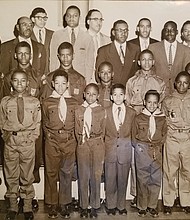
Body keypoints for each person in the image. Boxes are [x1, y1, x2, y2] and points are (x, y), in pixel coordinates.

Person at [0, 70, 41, 220]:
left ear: (27, 83)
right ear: (11, 82)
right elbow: (2, 121)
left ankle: (28, 205)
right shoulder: (5, 101)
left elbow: (37, 122)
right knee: (11, 174)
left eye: (22, 80)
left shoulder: (34, 102)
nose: (19, 84)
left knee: (27, 175)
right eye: (16, 80)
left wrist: (33, 138)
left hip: (27, 142)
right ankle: (12, 206)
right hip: (11, 142)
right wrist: (6, 137)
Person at [42, 69, 78, 219]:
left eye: (64, 83)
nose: (60, 86)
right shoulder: (47, 101)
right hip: (52, 141)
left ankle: (64, 203)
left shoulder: (74, 102)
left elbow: (77, 122)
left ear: (68, 84)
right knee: (51, 172)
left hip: (69, 141)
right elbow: (44, 122)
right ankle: (51, 203)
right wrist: (49, 137)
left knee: (66, 172)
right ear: (52, 84)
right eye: (57, 83)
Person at [132, 90, 167, 218]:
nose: (152, 105)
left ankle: (152, 206)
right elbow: (133, 135)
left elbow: (164, 134)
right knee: (142, 180)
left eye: (155, 103)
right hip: (142, 150)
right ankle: (142, 206)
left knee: (155, 179)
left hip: (156, 151)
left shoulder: (162, 118)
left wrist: (159, 146)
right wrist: (139, 147)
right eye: (149, 102)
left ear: (158, 104)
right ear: (144, 102)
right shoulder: (138, 118)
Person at [75, 83, 106, 218]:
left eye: (94, 94)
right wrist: (82, 141)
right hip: (83, 144)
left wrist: (96, 141)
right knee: (83, 175)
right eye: (88, 93)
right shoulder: (78, 110)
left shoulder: (102, 110)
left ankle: (94, 205)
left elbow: (103, 130)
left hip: (97, 143)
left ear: (98, 96)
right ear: (84, 94)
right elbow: (76, 130)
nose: (91, 97)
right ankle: (83, 205)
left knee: (96, 175)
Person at [104, 83, 136, 216]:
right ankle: (110, 205)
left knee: (123, 180)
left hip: (125, 151)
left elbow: (134, 133)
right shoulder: (105, 111)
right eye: (115, 94)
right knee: (110, 180)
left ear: (125, 96)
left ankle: (121, 205)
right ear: (111, 97)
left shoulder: (131, 112)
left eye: (121, 94)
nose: (118, 97)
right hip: (109, 151)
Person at [162, 71, 190, 215]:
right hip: (172, 138)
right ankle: (168, 201)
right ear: (175, 83)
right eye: (179, 82)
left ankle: (186, 201)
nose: (182, 85)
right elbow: (163, 119)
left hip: (188, 139)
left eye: (185, 82)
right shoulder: (168, 100)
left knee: (187, 171)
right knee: (169, 171)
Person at [50, 5, 94, 84]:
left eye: (75, 16)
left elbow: (89, 63)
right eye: (69, 16)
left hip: (79, 80)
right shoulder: (57, 35)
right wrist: (54, 79)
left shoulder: (87, 37)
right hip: (61, 80)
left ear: (79, 18)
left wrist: (86, 82)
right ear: (65, 18)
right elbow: (53, 60)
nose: (71, 18)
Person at [149, 21, 190, 95]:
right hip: (158, 92)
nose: (169, 32)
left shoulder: (186, 50)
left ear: (177, 32)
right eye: (166, 30)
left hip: (178, 94)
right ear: (163, 32)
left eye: (172, 30)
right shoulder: (153, 48)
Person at [95, 19, 139, 85]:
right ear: (113, 32)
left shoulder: (135, 49)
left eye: (125, 30)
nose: (123, 33)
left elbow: (137, 72)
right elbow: (98, 75)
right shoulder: (103, 51)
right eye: (120, 30)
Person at [126, 49, 166, 114]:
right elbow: (128, 102)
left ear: (153, 62)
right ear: (139, 62)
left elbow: (162, 102)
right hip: (136, 114)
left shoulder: (160, 82)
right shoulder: (132, 81)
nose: (147, 62)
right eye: (143, 59)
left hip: (153, 114)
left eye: (149, 59)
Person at [85, 9, 110, 73]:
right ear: (88, 21)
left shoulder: (108, 40)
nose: (99, 22)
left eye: (100, 20)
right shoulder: (81, 39)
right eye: (95, 19)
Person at [30, 7, 54, 74]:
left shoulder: (52, 34)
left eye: (44, 18)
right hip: (32, 71)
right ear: (33, 19)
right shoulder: (28, 35)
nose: (42, 20)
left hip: (48, 71)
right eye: (39, 18)